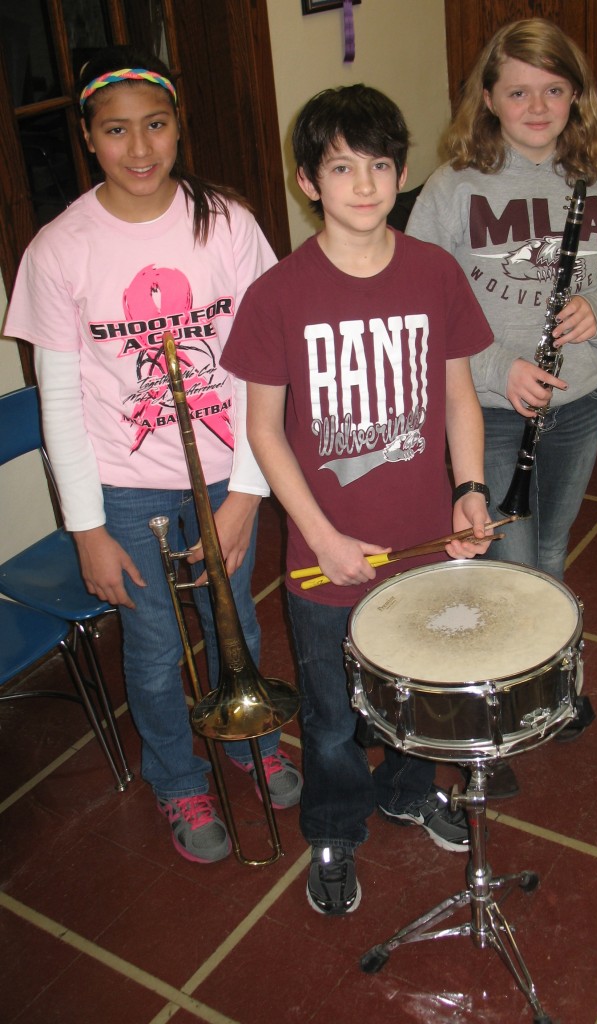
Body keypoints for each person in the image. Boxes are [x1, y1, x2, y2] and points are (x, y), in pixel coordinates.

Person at [4, 46, 302, 864]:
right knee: (154, 647)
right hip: (124, 491)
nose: (139, 149)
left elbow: (262, 366)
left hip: (224, 476)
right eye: (116, 131)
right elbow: (59, 400)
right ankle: (177, 778)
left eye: (156, 125)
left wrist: (247, 492)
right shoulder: (60, 250)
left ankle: (247, 739)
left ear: (178, 128)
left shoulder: (227, 224)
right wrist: (87, 528)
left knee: (233, 617)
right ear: (88, 138)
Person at [221, 84, 495, 914]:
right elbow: (265, 432)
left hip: (423, 547)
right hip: (325, 558)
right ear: (309, 181)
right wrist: (322, 536)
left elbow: (457, 398)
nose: (365, 185)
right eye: (342, 167)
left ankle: (409, 788)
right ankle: (336, 824)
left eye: (379, 165)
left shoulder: (433, 271)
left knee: (417, 692)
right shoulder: (278, 294)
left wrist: (470, 489)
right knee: (333, 713)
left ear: (402, 170)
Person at [406, 18, 597, 793]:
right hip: (483, 407)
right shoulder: (453, 188)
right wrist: (492, 364)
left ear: (575, 97)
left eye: (553, 89)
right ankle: (506, 707)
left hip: (577, 401)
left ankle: (545, 681)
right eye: (517, 90)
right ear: (488, 98)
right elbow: (420, 301)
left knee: (548, 554)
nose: (537, 105)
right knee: (506, 567)